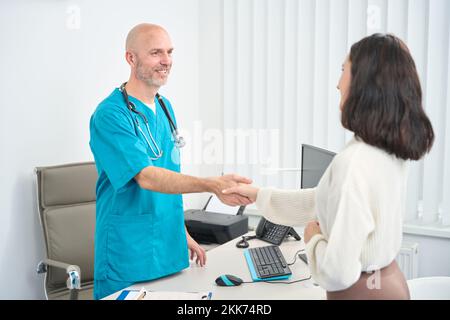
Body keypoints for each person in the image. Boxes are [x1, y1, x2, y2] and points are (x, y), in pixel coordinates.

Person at [223, 33, 434, 299]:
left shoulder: (354, 162)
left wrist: (313, 239)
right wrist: (258, 195)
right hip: (387, 282)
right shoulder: (384, 149)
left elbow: (337, 273)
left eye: (344, 70)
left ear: (364, 82)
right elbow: (323, 199)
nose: (337, 84)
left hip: (361, 291)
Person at [89, 23, 252, 300]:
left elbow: (169, 173)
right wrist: (210, 184)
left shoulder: (165, 107)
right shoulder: (110, 115)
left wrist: (180, 230)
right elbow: (147, 176)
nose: (166, 61)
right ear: (131, 58)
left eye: (169, 52)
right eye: (155, 52)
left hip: (169, 251)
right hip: (129, 254)